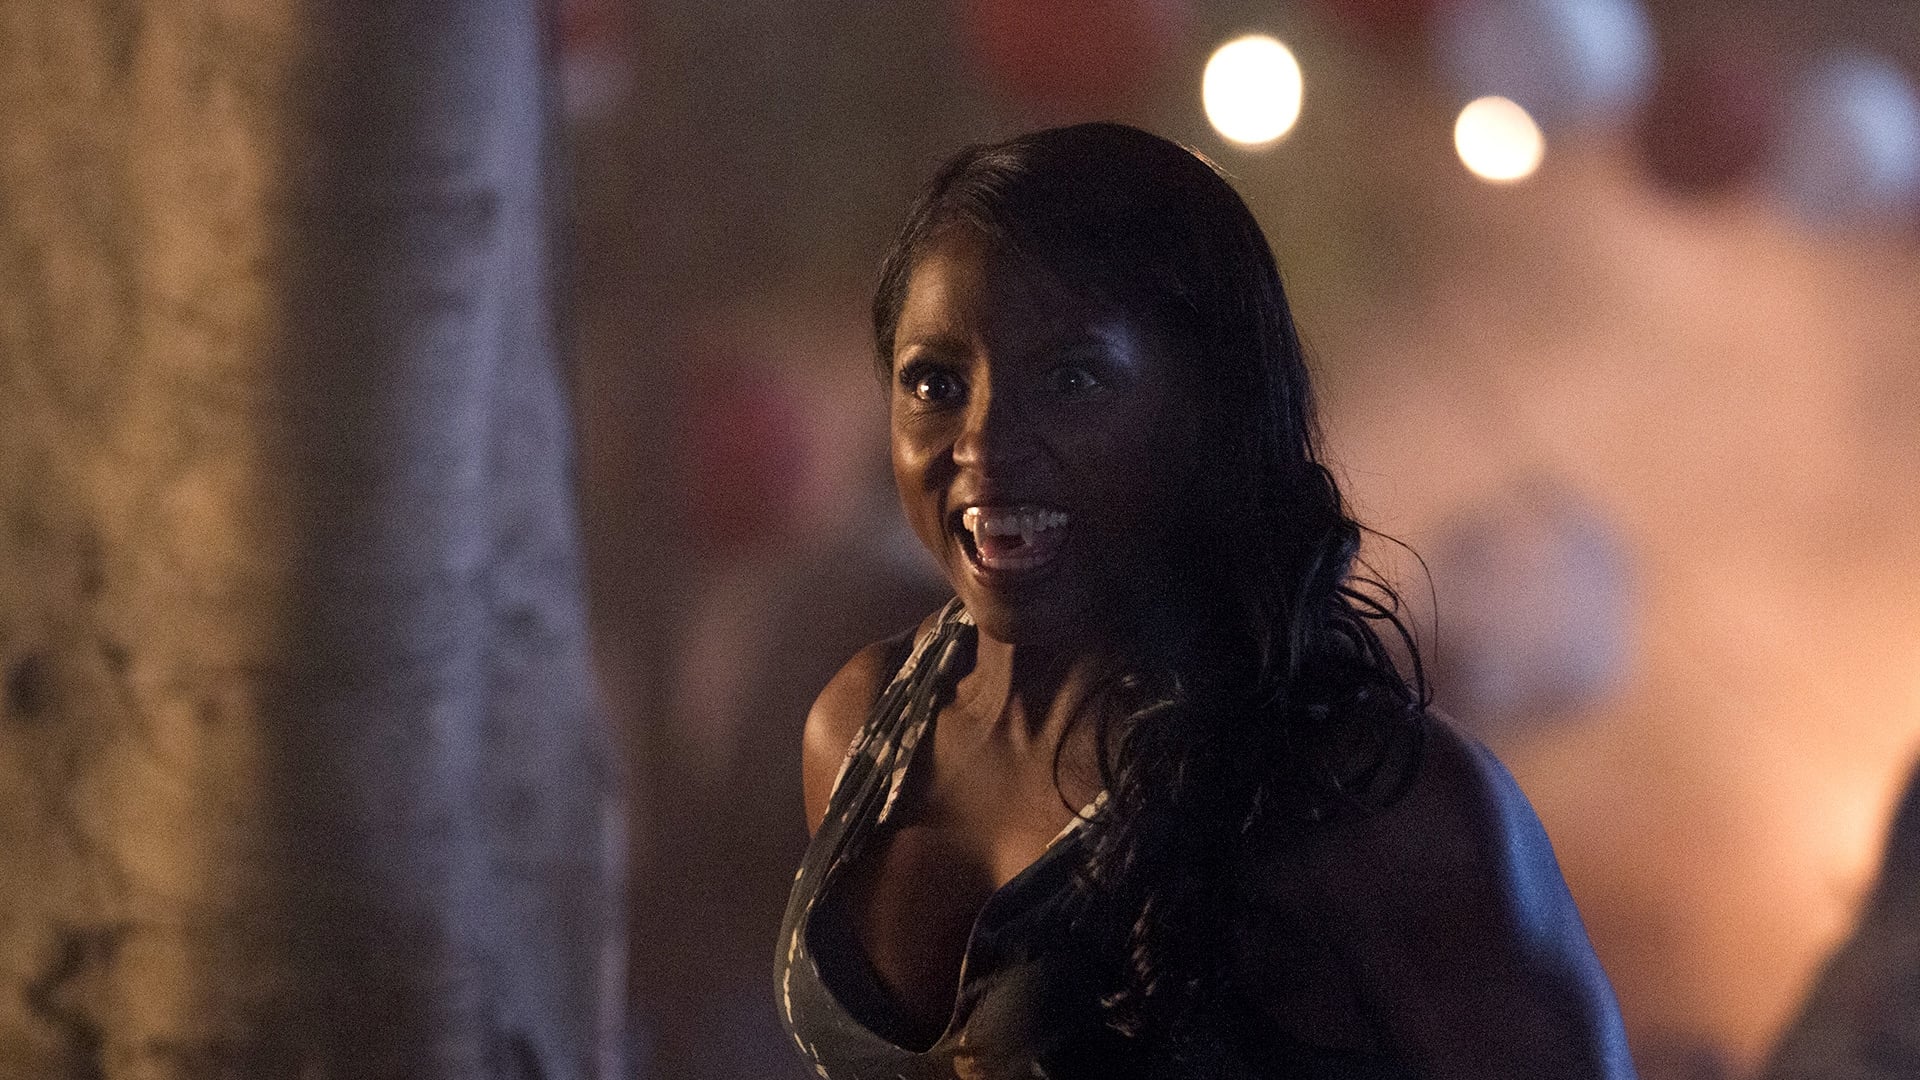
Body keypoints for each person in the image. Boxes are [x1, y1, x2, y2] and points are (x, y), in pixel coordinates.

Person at [774, 122, 1636, 1080]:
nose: (982, 441)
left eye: (1072, 378)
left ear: (1208, 411)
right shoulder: (859, 730)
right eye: (936, 382)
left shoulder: (1369, 804)